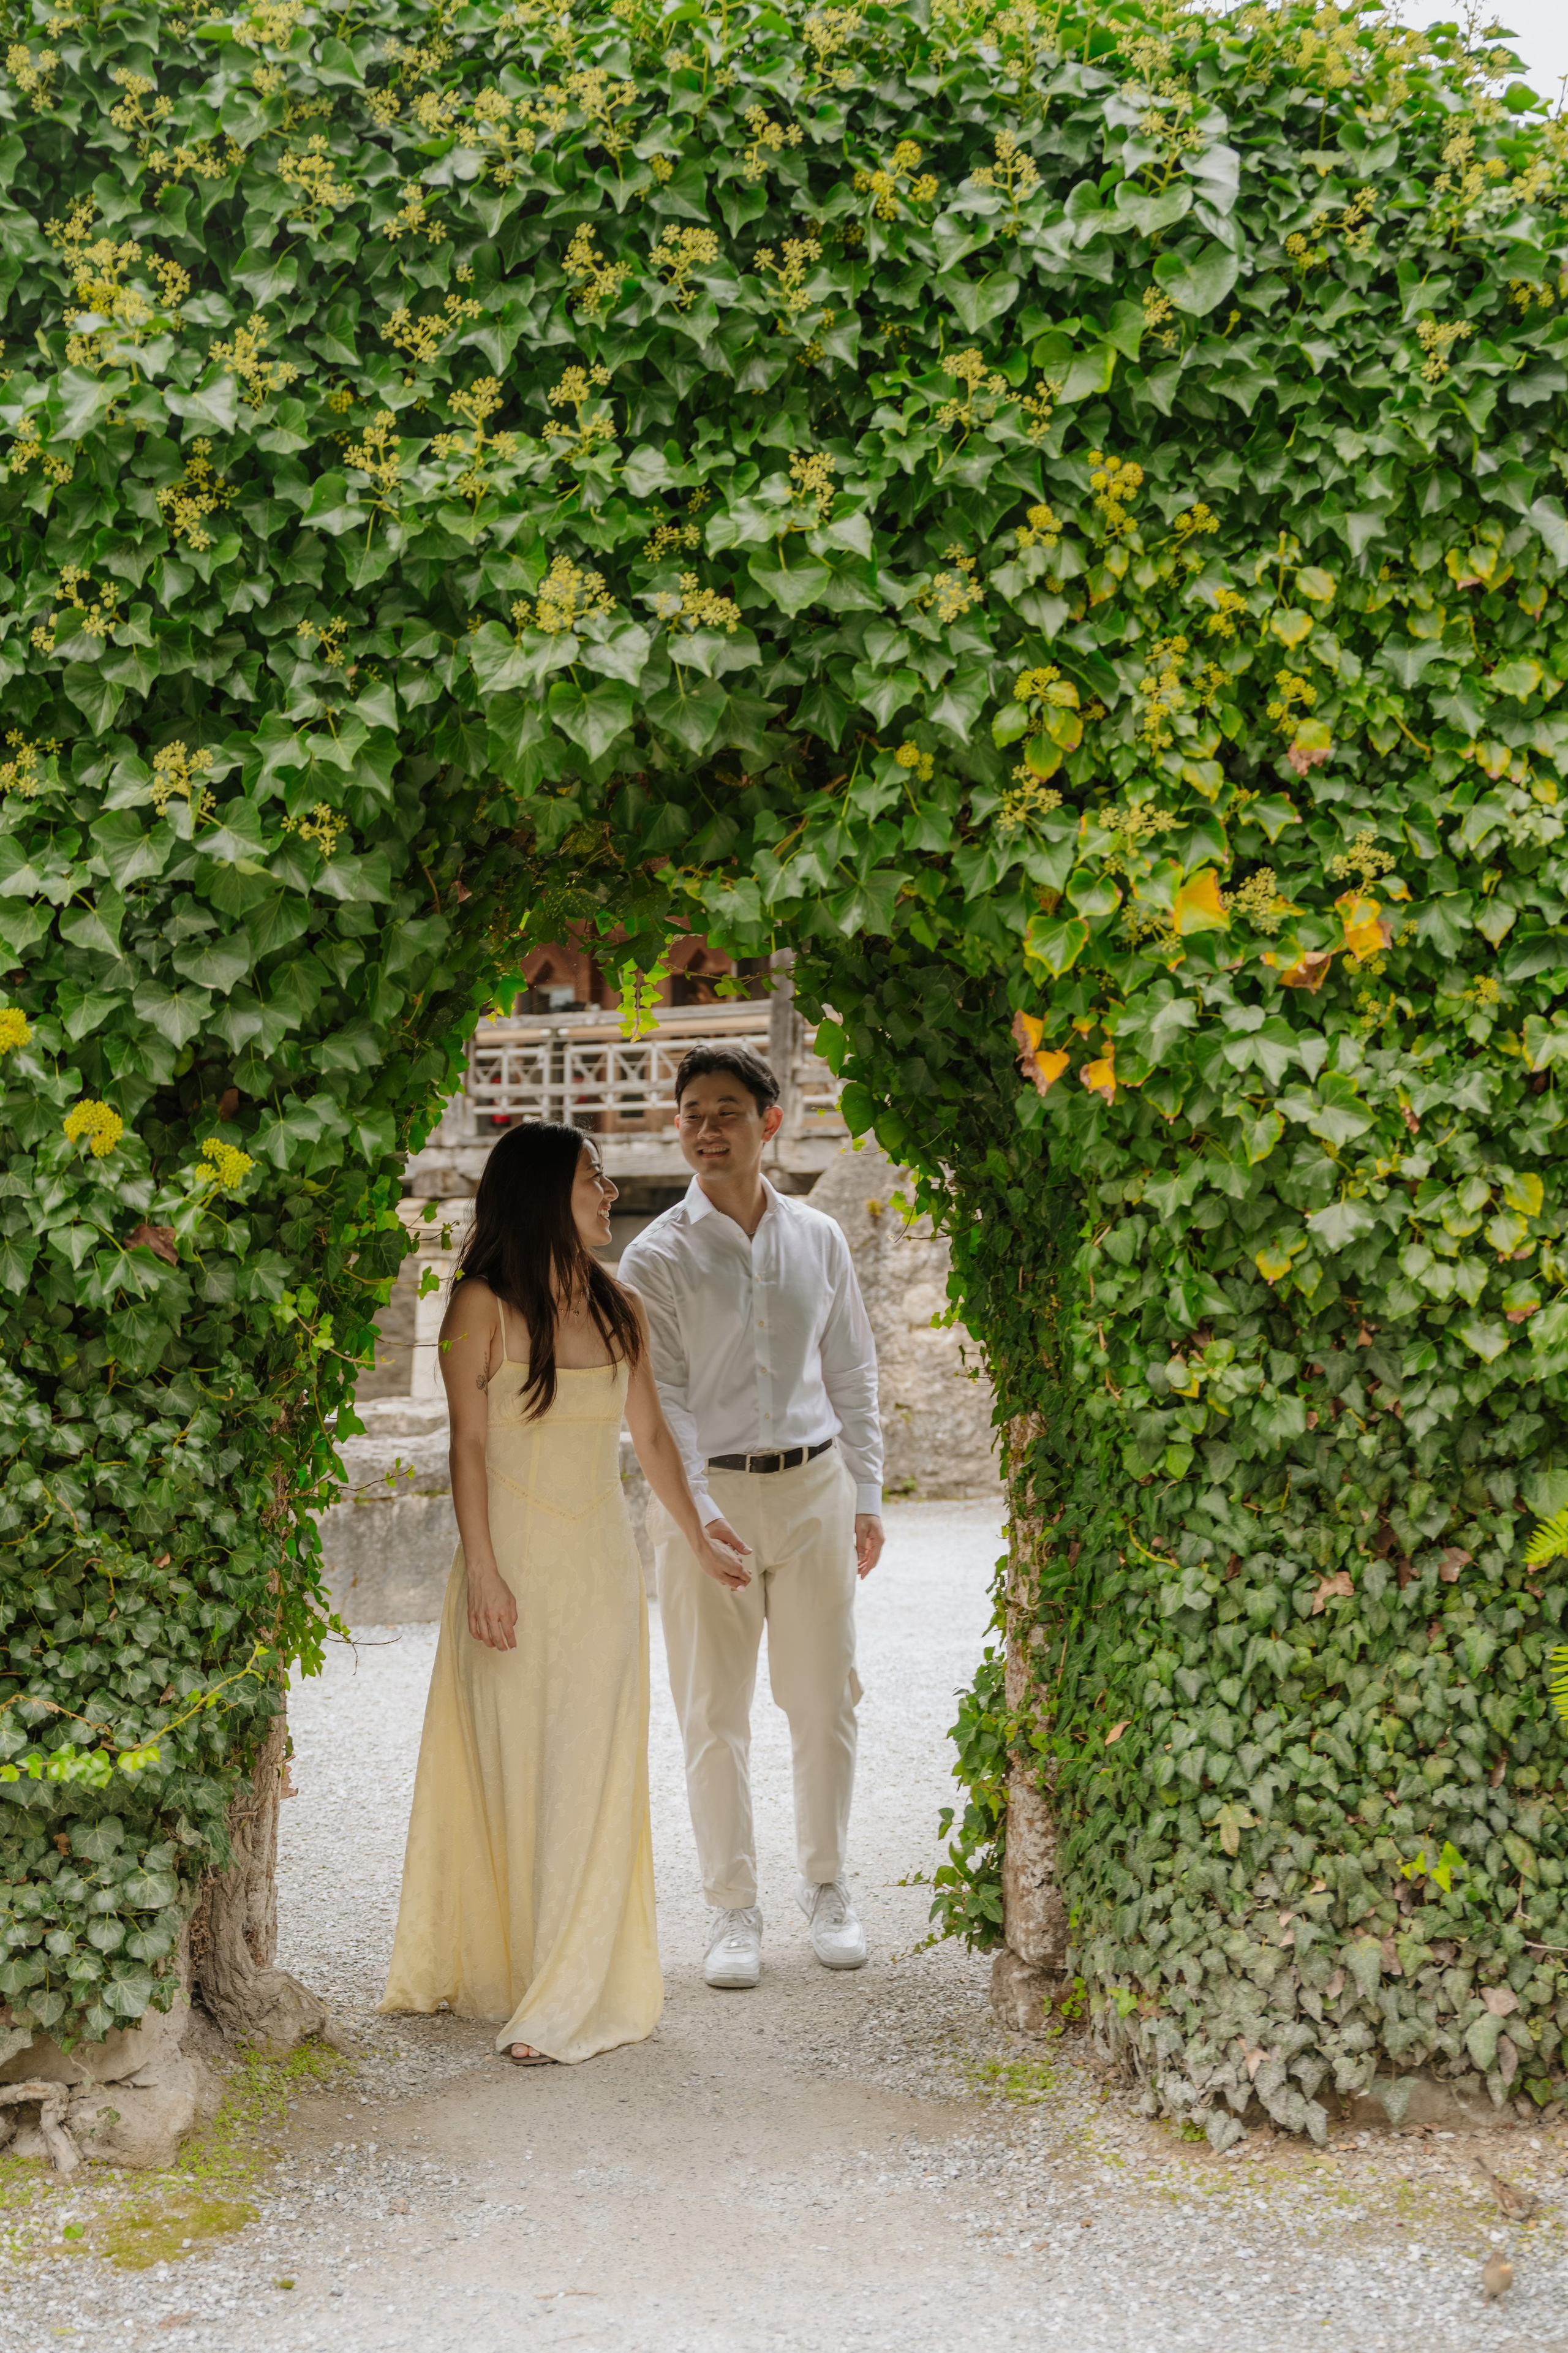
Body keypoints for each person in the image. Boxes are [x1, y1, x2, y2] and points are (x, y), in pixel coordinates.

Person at [380, 1121, 745, 2064]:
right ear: (548, 1191)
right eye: (595, 1177)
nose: (612, 1191)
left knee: (591, 1771)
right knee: (516, 1765)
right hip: (511, 1570)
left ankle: (569, 1993)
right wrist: (485, 1572)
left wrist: (701, 1532)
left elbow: (655, 1441)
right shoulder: (479, 1305)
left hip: (600, 1574)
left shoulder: (623, 1305)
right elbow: (464, 1446)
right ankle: (517, 1963)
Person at [619, 1044, 884, 1991]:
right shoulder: (655, 1256)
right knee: (711, 1711)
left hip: (814, 1488)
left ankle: (829, 1884)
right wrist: (697, 1517)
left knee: (825, 1697)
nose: (704, 1128)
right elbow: (667, 1401)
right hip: (706, 1499)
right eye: (691, 1112)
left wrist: (870, 1492)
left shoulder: (819, 1239)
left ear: (770, 1122)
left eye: (726, 1110)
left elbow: (853, 1371)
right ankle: (733, 1906)